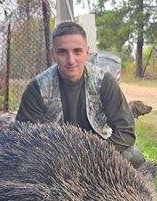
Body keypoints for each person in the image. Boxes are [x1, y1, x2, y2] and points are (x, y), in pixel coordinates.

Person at [16, 21, 145, 167]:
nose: (71, 60)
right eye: (62, 52)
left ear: (87, 52)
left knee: (134, 157)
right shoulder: (37, 88)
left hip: (99, 153)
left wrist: (91, 155)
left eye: (77, 51)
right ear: (53, 54)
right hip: (54, 157)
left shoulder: (104, 82)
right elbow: (22, 136)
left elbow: (126, 132)